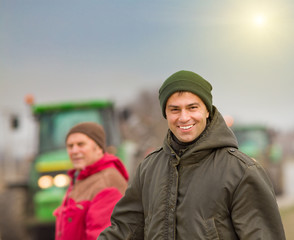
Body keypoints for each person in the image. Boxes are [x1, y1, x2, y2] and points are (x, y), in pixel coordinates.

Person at [98, 70, 285, 239]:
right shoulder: (148, 169)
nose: (184, 117)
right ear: (166, 113)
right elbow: (123, 230)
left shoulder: (241, 171)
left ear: (207, 111)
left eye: (192, 107)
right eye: (175, 109)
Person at [54, 122, 129, 240]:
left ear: (99, 148)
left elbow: (101, 235)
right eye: (70, 146)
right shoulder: (81, 177)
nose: (74, 150)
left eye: (81, 144)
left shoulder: (106, 182)